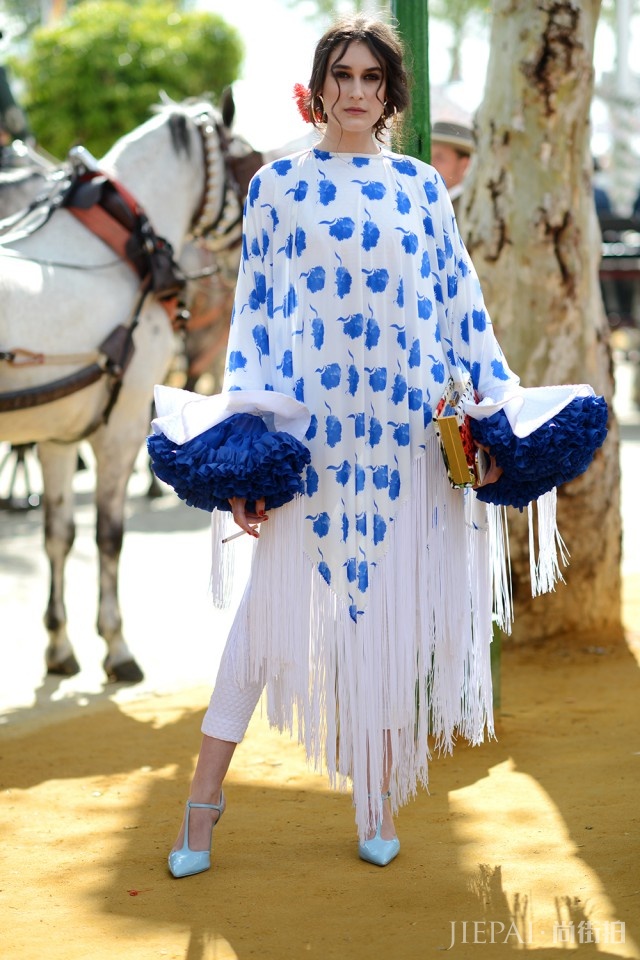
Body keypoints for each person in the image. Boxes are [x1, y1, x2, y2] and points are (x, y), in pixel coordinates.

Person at [148, 14, 607, 876]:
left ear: (390, 94)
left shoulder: (419, 189)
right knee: (258, 626)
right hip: (309, 438)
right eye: (342, 76)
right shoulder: (277, 187)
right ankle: (200, 807)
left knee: (388, 620)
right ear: (319, 85)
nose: (355, 92)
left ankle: (375, 798)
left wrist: (490, 415)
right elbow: (255, 322)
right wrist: (250, 446)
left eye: (371, 80)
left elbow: (459, 306)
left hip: (403, 440)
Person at [429, 119, 475, 215]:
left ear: (464, 165)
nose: (430, 164)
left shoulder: (470, 210)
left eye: (439, 158)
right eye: (429, 156)